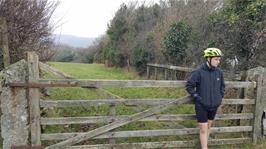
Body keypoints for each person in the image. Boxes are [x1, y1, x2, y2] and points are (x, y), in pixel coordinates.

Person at [186, 48, 225, 149]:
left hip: (214, 106)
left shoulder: (219, 73)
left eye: (219, 59)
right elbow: (189, 86)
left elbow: (222, 87)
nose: (218, 61)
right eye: (216, 59)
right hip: (202, 106)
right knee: (203, 129)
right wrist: (196, 97)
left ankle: (204, 145)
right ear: (208, 58)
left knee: (208, 128)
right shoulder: (198, 72)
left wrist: (219, 97)